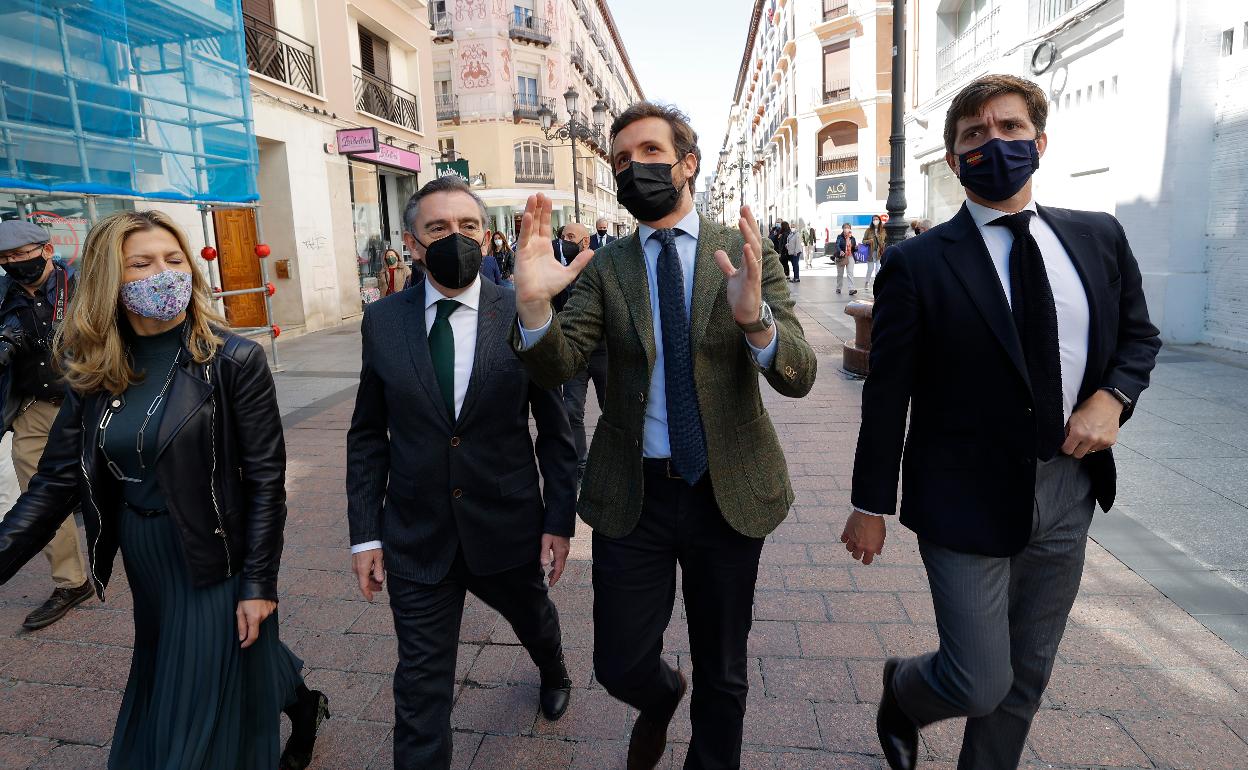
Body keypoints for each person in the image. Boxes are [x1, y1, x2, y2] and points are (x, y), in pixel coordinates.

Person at [841, 74, 1161, 770]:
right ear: (954, 160)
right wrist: (870, 504)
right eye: (975, 134)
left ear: (1039, 142)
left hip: (1068, 486)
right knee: (979, 679)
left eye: (1011, 128)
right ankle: (906, 690)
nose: (995, 142)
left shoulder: (1098, 237)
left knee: (1027, 673)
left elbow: (1139, 338)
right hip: (963, 491)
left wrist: (1112, 398)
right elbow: (888, 394)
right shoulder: (917, 263)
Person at [510, 102, 817, 770]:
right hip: (635, 493)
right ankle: (661, 696)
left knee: (724, 671)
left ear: (687, 164)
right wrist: (533, 307)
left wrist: (756, 321)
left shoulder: (743, 248)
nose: (634, 167)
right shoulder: (607, 266)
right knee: (619, 664)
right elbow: (561, 364)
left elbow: (799, 373)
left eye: (650, 152)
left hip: (727, 490)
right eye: (622, 159)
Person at [0, 211, 328, 770]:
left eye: (174, 259)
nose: (164, 273)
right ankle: (303, 704)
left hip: (216, 554)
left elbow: (266, 481)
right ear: (109, 279)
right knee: (206, 659)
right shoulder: (94, 367)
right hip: (146, 553)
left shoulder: (233, 359)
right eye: (142, 263)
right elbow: (55, 483)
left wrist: (258, 584)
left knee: (191, 713)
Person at [347, 176, 578, 770]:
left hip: (505, 523)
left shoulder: (521, 309)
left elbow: (557, 430)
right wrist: (365, 534)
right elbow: (368, 433)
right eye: (439, 228)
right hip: (417, 535)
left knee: (534, 620)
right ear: (413, 244)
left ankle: (553, 667)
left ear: (487, 235)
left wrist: (559, 519)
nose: (457, 237)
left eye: (468, 226)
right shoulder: (383, 321)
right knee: (420, 691)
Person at [0, 220, 92, 630]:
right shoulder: (3, 295)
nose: (13, 263)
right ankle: (71, 582)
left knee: (127, 482)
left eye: (20, 255)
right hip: (34, 408)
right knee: (38, 499)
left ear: (47, 250)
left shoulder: (84, 286)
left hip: (91, 400)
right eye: (5, 259)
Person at [863, 215, 886, 293]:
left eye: (876, 219)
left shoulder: (883, 230)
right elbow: (863, 241)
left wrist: (877, 236)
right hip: (870, 252)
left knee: (878, 269)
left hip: (879, 252)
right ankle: (867, 282)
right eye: (874, 219)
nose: (875, 221)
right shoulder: (868, 230)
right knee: (870, 269)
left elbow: (883, 241)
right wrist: (868, 241)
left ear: (879, 220)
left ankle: (877, 284)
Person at [834, 223, 858, 296]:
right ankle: (838, 288)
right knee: (840, 274)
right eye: (845, 227)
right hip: (841, 257)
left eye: (848, 227)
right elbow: (837, 245)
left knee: (850, 273)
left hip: (850, 256)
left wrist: (856, 248)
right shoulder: (839, 237)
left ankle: (851, 289)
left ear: (850, 229)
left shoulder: (852, 238)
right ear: (843, 228)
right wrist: (840, 251)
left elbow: (854, 248)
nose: (846, 229)